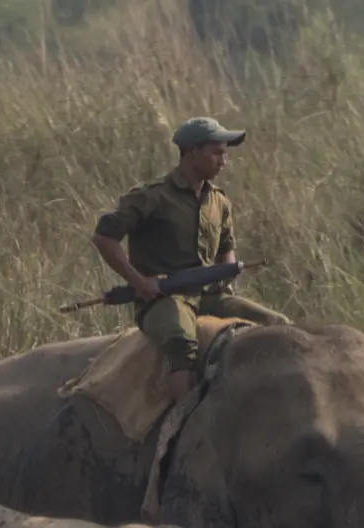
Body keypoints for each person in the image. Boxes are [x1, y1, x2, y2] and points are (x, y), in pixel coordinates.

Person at [91, 116, 289, 402]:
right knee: (180, 339)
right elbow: (104, 238)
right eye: (216, 152)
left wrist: (225, 274)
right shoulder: (152, 197)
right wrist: (139, 282)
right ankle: (184, 416)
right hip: (164, 299)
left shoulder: (219, 201)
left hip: (208, 295)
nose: (224, 160)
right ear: (191, 152)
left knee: (277, 323)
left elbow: (226, 247)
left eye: (226, 153)